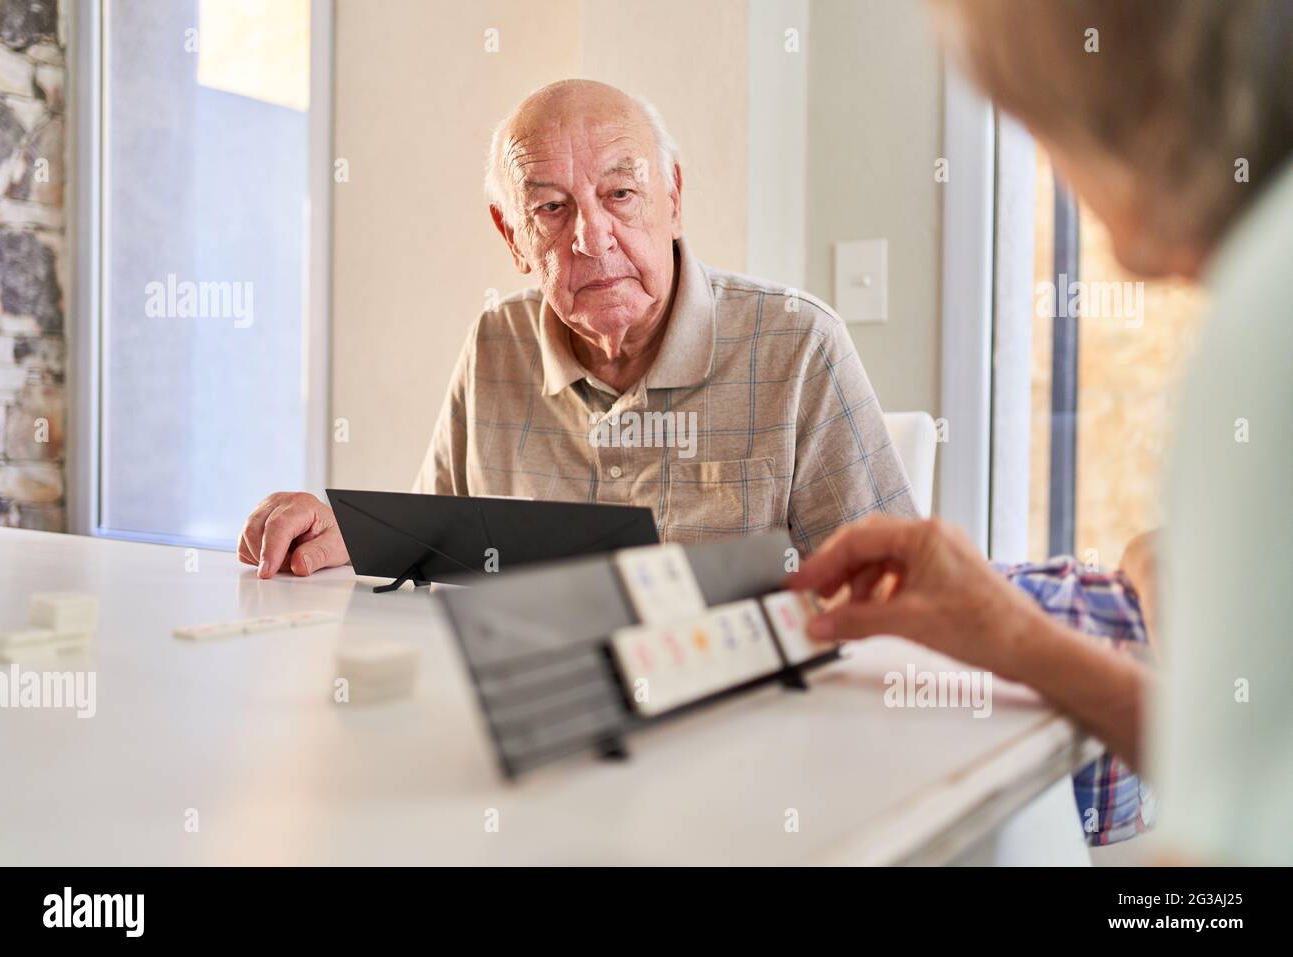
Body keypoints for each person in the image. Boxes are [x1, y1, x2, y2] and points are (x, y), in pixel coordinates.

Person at [792, 0, 1293, 865]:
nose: (1061, 178)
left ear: (1132, 106)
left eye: (1040, 126)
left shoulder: (1264, 309)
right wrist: (1012, 634)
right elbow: (1242, 774)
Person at [238, 79, 916, 580]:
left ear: (673, 198)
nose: (593, 237)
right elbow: (435, 551)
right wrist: (352, 535)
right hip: (546, 717)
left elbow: (893, 591)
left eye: (621, 194)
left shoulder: (799, 344)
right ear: (513, 236)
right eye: (552, 209)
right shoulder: (494, 345)